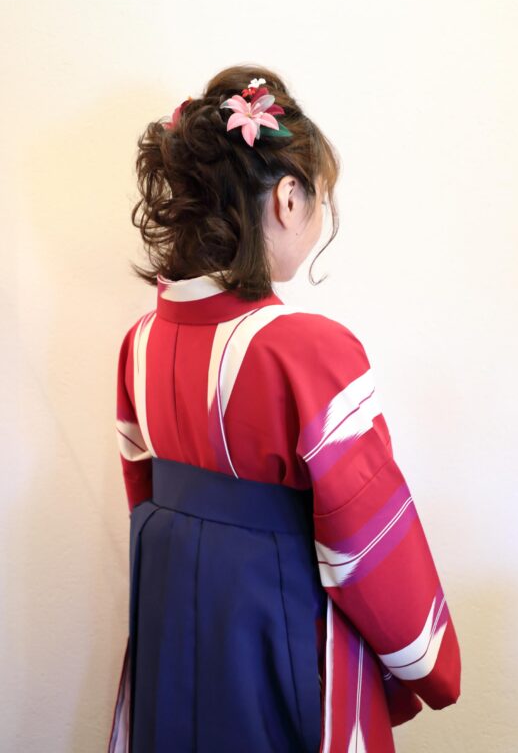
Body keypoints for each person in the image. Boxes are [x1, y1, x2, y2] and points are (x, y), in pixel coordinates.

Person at [107, 65, 461, 753]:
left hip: (173, 626)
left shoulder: (139, 343)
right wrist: (432, 663)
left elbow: (143, 496)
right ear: (289, 198)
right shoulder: (305, 350)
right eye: (320, 197)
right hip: (277, 633)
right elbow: (365, 537)